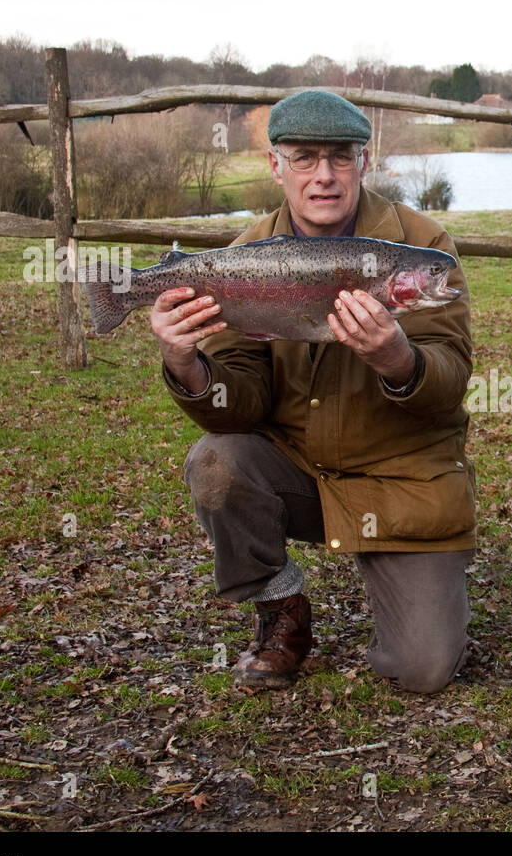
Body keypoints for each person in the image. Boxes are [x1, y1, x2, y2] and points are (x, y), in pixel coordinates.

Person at [150, 91, 475, 694]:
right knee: (217, 461)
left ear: (365, 160)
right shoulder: (241, 260)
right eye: (304, 158)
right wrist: (184, 361)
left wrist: (397, 358)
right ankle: (282, 610)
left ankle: (406, 583)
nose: (324, 176)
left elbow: (450, 385)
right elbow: (237, 408)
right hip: (297, 469)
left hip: (404, 477)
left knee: (424, 668)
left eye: (341, 157)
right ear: (277, 166)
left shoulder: (422, 246)